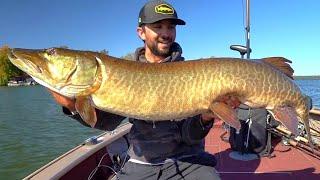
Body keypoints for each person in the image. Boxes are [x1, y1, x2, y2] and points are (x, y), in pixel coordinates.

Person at [49, 1, 239, 179]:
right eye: (158, 26)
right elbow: (108, 123)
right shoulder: (121, 72)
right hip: (142, 162)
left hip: (189, 159)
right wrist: (73, 107)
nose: (166, 33)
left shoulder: (192, 74)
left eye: (170, 27)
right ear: (141, 32)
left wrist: (206, 116)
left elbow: (189, 136)